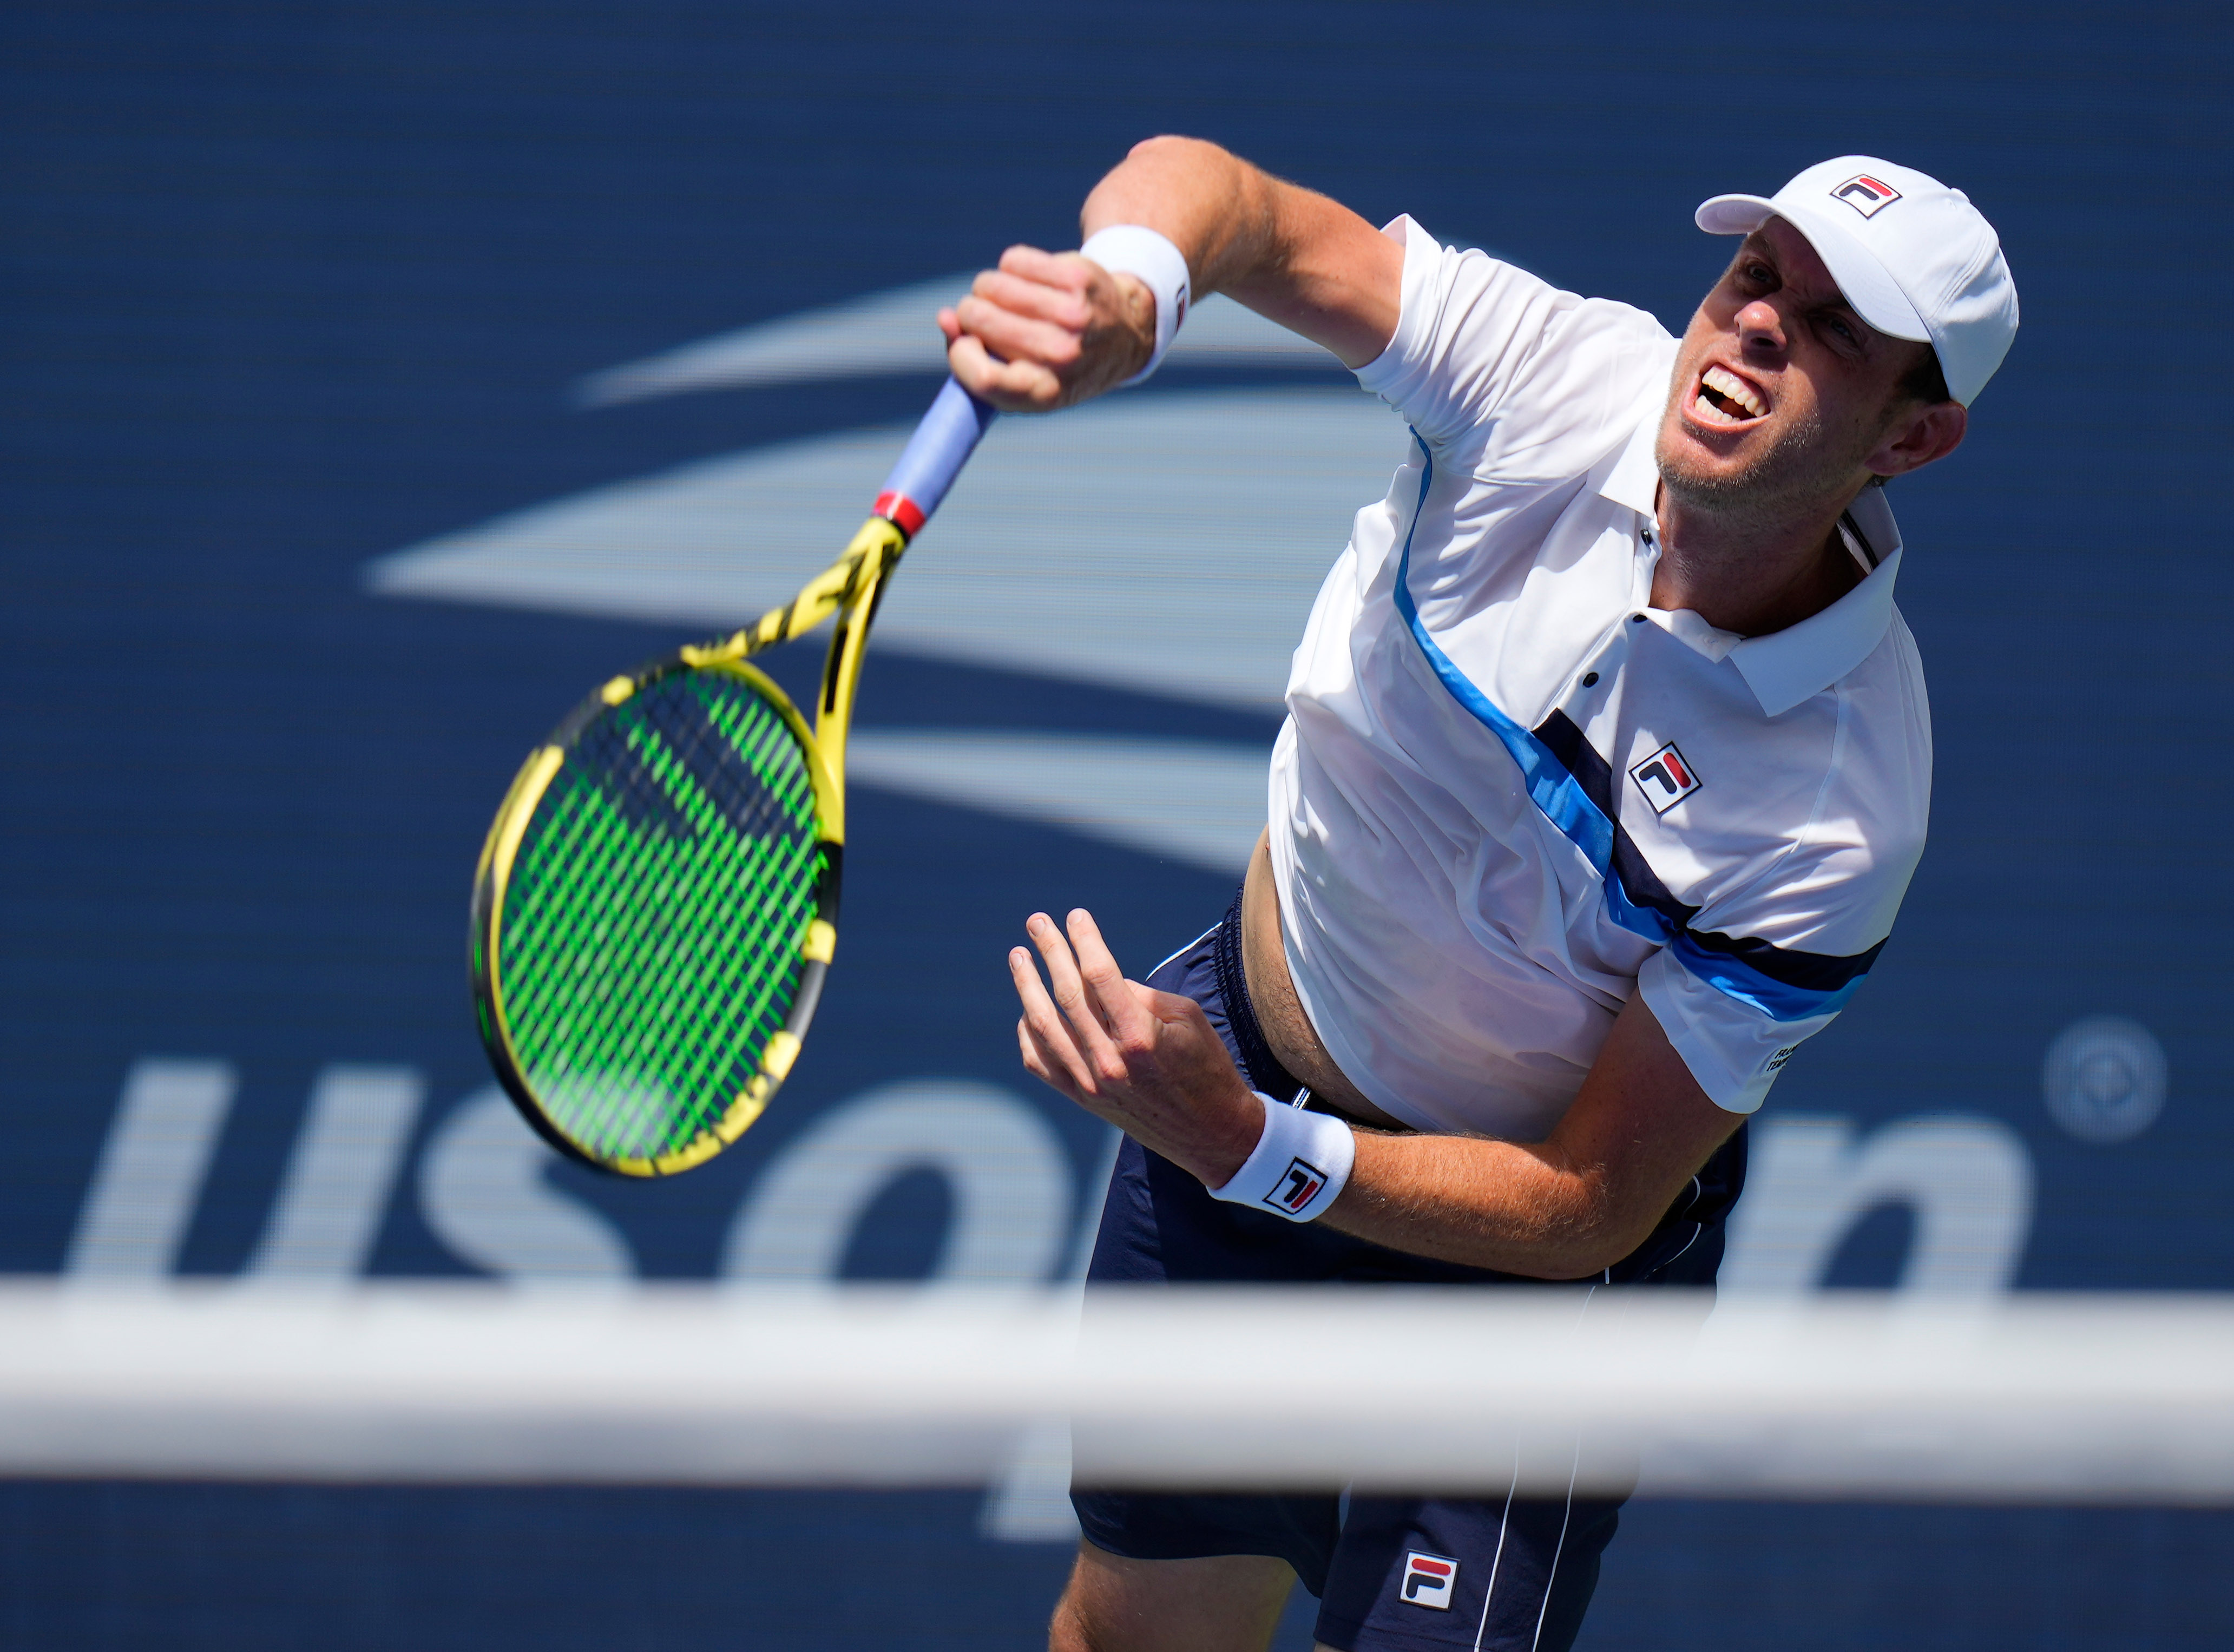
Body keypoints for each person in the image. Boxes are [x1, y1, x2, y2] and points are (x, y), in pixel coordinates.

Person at [942, 140, 2017, 1652]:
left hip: (1515, 1286)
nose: (1762, 320)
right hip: (1241, 1076)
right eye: (1757, 274)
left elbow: (1591, 1201)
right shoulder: (1548, 376)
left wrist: (1254, 1150)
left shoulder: (1838, 810)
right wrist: (1134, 290)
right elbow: (1218, 196)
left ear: (1915, 440)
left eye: (1837, 327)